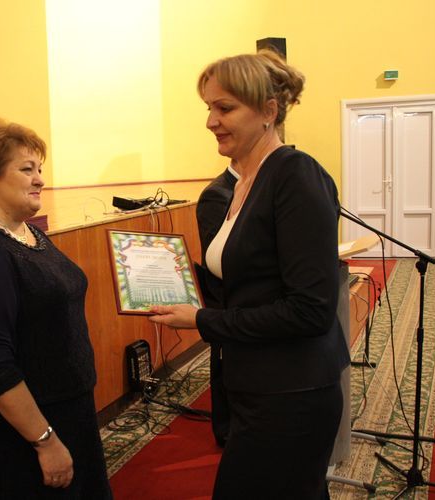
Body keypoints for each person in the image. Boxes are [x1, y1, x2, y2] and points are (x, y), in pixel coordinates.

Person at [149, 51, 350, 499]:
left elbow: (310, 311)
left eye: (225, 108)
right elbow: (250, 283)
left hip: (292, 391)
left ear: (268, 111)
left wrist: (202, 321)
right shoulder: (243, 182)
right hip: (257, 384)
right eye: (208, 108)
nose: (210, 121)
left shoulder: (295, 175)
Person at [0, 117, 112, 499]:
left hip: (67, 412)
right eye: (27, 169)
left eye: (39, 169)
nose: (40, 179)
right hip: (25, 433)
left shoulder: (27, 231)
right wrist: (45, 441)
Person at [194, 163, 238, 448]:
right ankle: (226, 431)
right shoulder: (217, 194)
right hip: (226, 298)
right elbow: (217, 260)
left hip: (242, 303)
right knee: (225, 367)